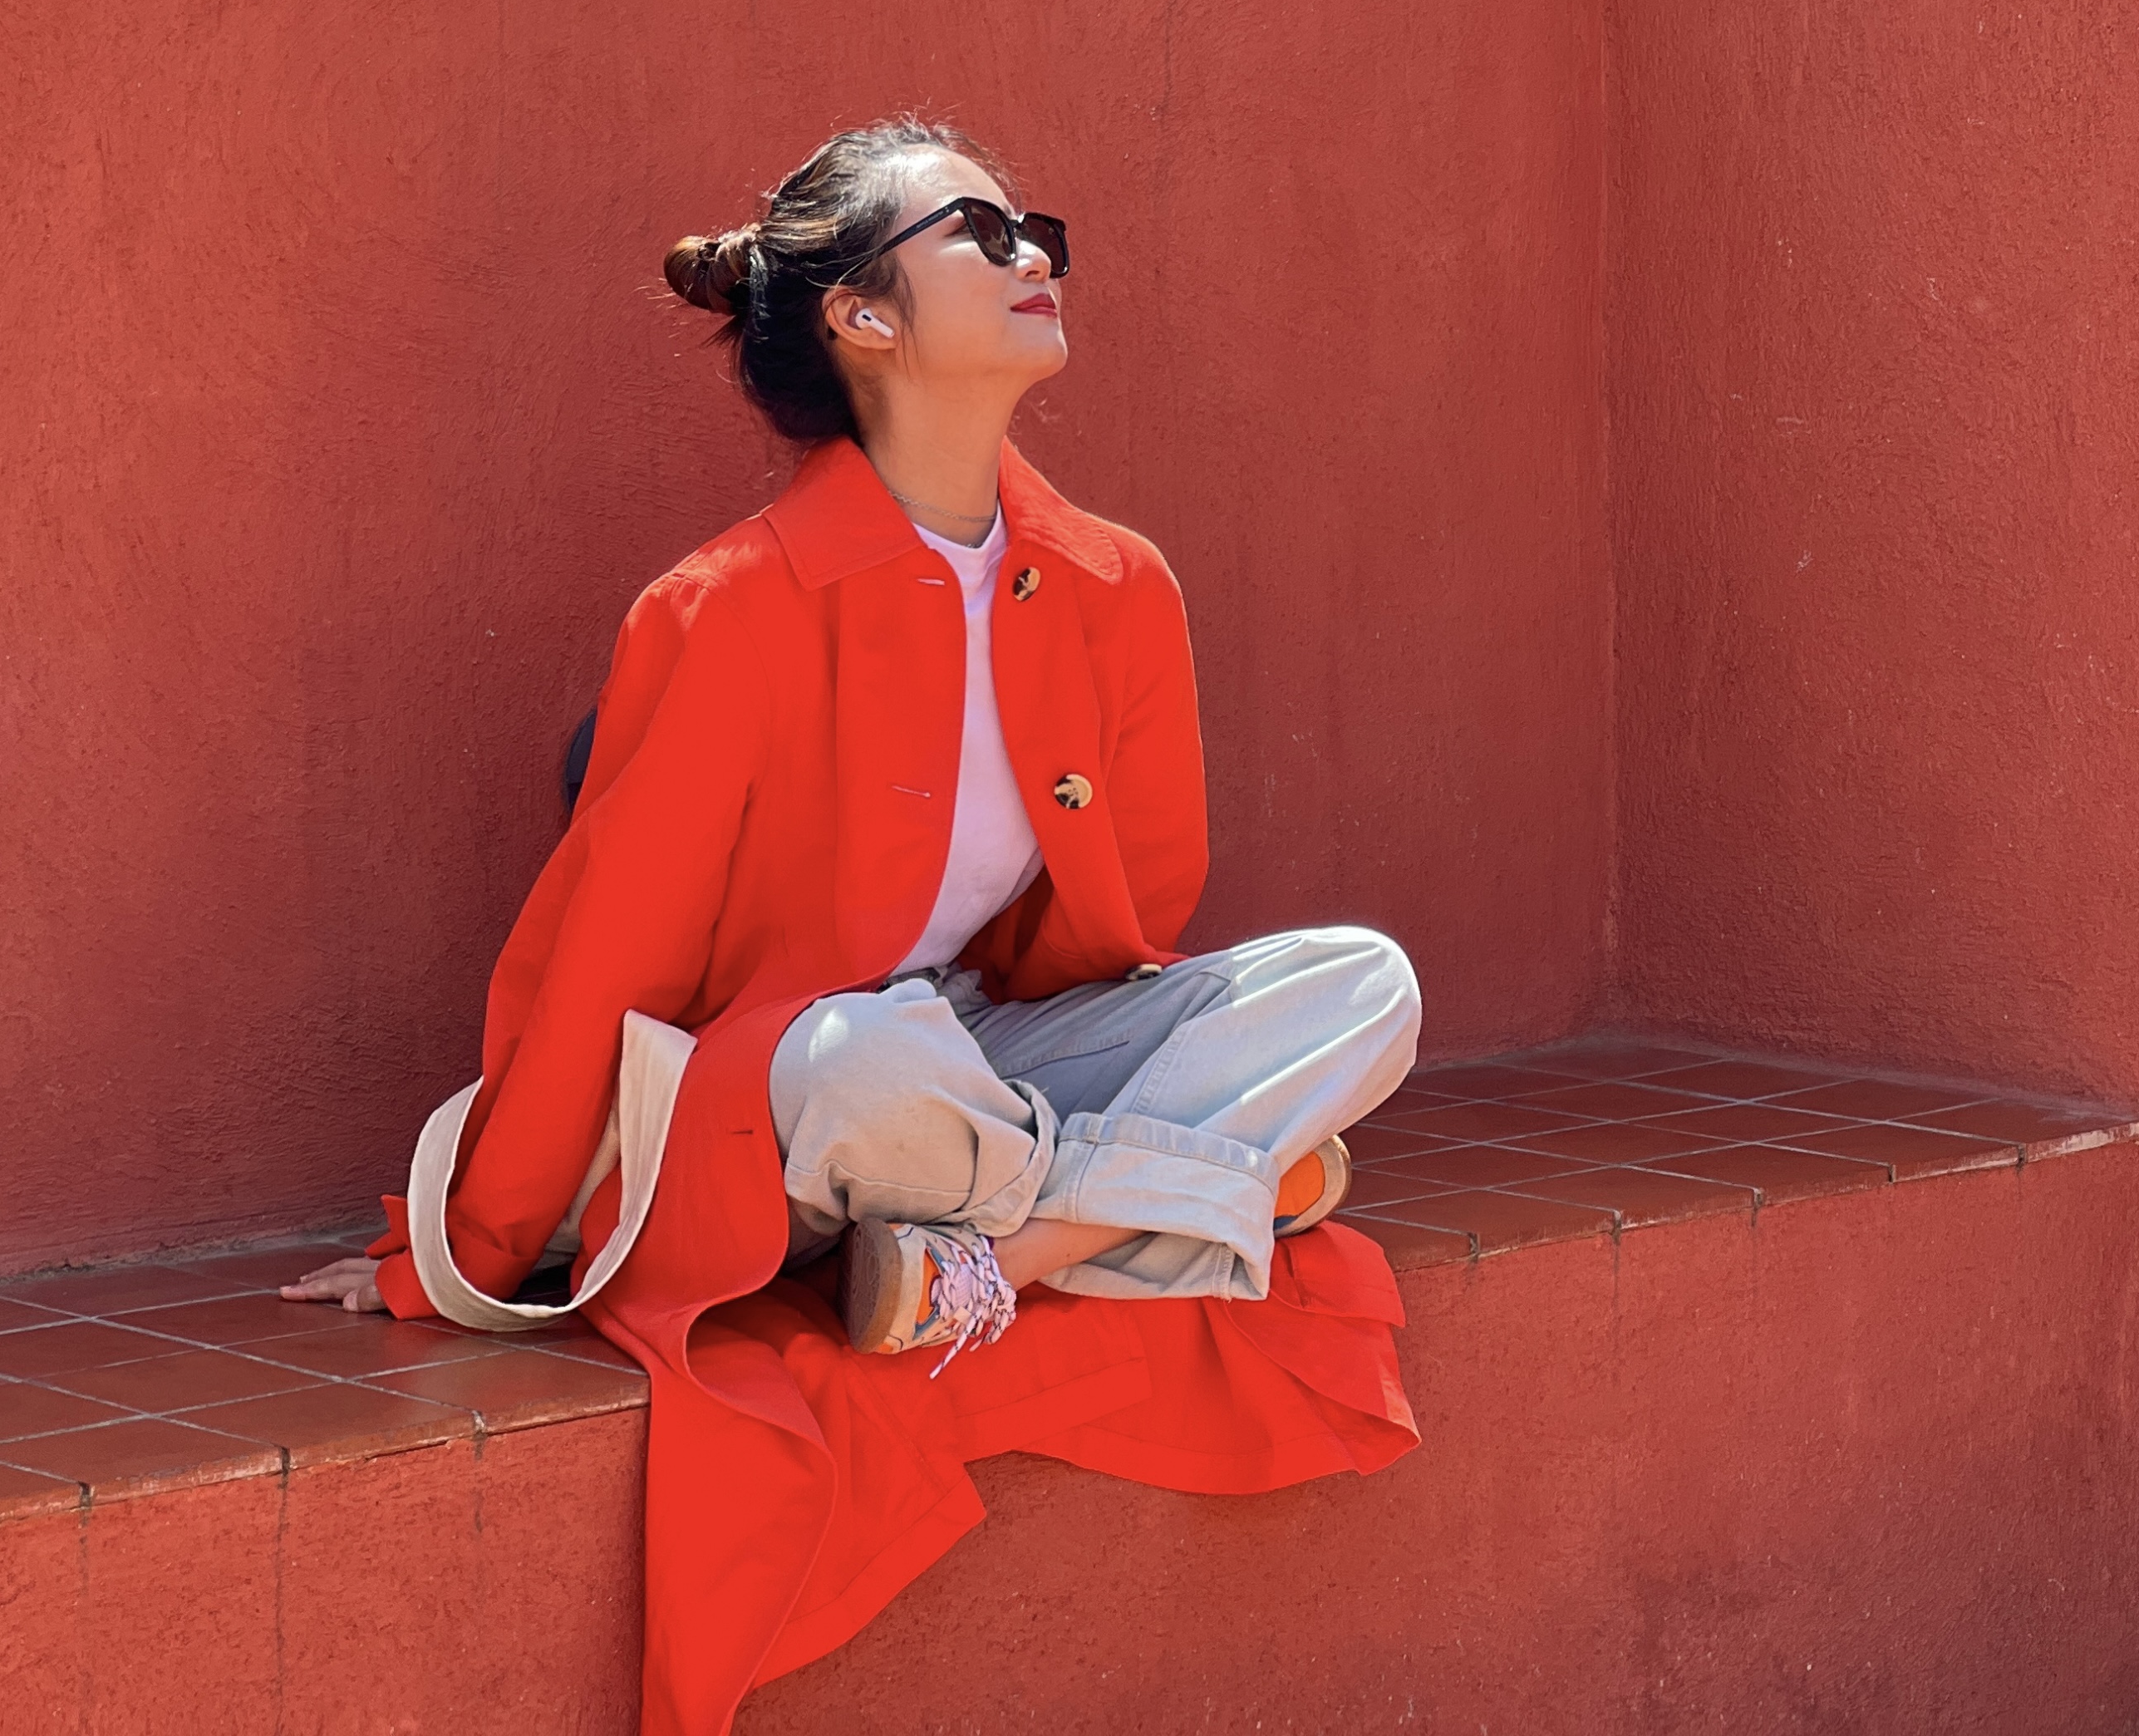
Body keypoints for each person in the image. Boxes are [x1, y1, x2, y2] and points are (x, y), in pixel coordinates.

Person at [283, 119, 1424, 1736]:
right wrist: (460, 1259)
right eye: (981, 231)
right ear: (861, 318)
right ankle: (1206, 1195)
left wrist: (1119, 1053)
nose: (1036, 254)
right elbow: (605, 957)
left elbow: (1127, 926)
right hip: (805, 1095)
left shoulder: (1117, 589)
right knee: (856, 1047)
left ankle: (1008, 1254)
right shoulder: (730, 608)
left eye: (1038, 228)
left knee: (1358, 984)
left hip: (977, 1074)